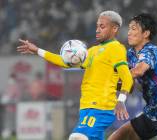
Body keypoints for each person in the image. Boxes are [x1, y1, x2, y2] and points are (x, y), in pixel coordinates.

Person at [17, 11, 133, 140]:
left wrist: (121, 100)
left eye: (102, 26)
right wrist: (37, 50)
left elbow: (127, 77)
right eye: (97, 26)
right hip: (86, 107)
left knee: (77, 137)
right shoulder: (92, 51)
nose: (97, 30)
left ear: (114, 28)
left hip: (100, 107)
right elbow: (65, 62)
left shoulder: (116, 48)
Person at [108, 13, 157, 140]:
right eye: (129, 29)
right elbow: (130, 86)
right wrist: (120, 92)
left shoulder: (151, 50)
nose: (128, 33)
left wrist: (113, 81)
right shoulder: (130, 54)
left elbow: (138, 71)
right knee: (120, 135)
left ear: (146, 34)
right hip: (151, 113)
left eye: (133, 29)